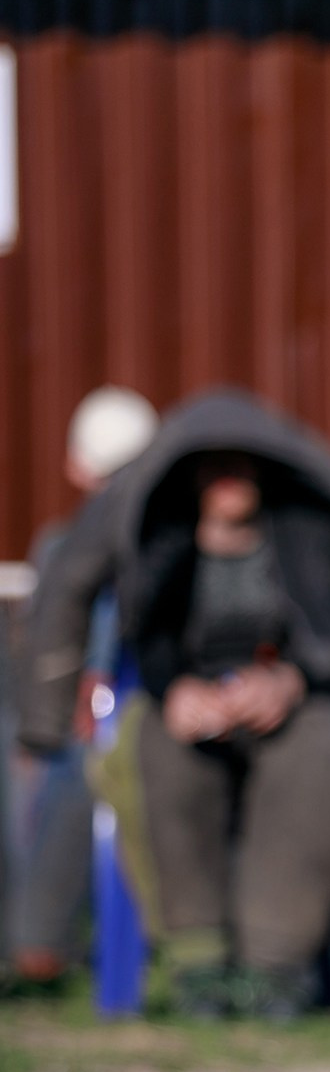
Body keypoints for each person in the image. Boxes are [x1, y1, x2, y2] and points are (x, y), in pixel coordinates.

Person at [57, 390, 330, 1018]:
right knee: (160, 751)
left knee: (325, 748)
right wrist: (176, 692)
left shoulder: (308, 532)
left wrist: (294, 679)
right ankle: (198, 962)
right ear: (189, 475)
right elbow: (145, 635)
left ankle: (275, 965)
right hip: (196, 700)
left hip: (299, 694)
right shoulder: (162, 541)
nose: (229, 480)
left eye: (242, 465)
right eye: (213, 466)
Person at [11, 386, 159, 991]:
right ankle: (36, 940)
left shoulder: (67, 544)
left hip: (107, 713)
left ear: (78, 464)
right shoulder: (71, 545)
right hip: (91, 709)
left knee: (71, 775)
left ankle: (37, 943)